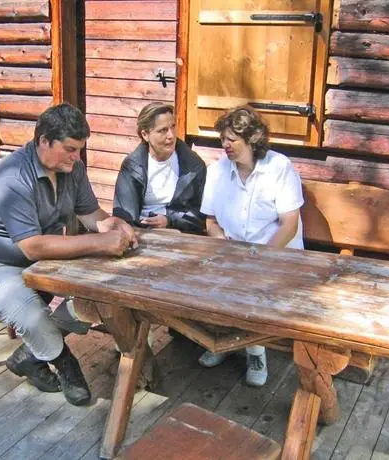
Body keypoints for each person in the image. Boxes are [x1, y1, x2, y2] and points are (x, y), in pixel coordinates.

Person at [0, 103, 137, 406]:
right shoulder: (12, 177)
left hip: (43, 262)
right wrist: (101, 243)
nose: (76, 157)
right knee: (30, 315)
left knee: (99, 294)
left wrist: (117, 226)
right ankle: (66, 363)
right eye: (69, 149)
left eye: (79, 150)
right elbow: (32, 246)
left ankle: (29, 356)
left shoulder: (72, 168)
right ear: (43, 140)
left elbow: (91, 214)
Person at [199, 106, 304, 387]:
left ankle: (256, 352)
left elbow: (289, 224)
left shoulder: (278, 167)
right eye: (223, 139)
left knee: (250, 284)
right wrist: (224, 246)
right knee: (205, 276)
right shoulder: (216, 171)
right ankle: (221, 342)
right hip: (234, 253)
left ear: (252, 139)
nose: (225, 145)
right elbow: (210, 221)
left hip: (276, 255)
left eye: (232, 139)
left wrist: (260, 258)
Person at [112, 102, 206, 234]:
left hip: (181, 233)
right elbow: (124, 215)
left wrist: (169, 221)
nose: (171, 135)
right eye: (163, 130)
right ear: (145, 135)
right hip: (141, 232)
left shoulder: (193, 165)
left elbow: (200, 215)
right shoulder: (132, 167)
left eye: (173, 127)